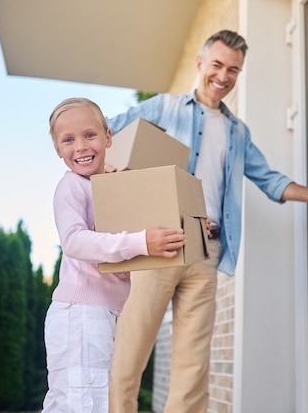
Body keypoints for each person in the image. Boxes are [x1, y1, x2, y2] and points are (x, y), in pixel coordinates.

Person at [106, 30, 308, 413]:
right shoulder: (165, 108)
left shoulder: (237, 131)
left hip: (206, 250)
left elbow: (269, 179)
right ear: (200, 64)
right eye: (217, 65)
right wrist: (108, 167)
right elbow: (106, 131)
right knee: (130, 352)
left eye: (233, 69)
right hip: (161, 238)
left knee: (193, 365)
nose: (223, 76)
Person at [42, 97, 186, 413]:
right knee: (84, 403)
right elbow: (76, 242)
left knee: (72, 402)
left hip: (97, 313)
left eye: (90, 135)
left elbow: (120, 223)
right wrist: (142, 243)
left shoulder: (101, 187)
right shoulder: (71, 187)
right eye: (68, 139)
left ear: (108, 137)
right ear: (58, 150)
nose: (80, 146)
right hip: (80, 313)